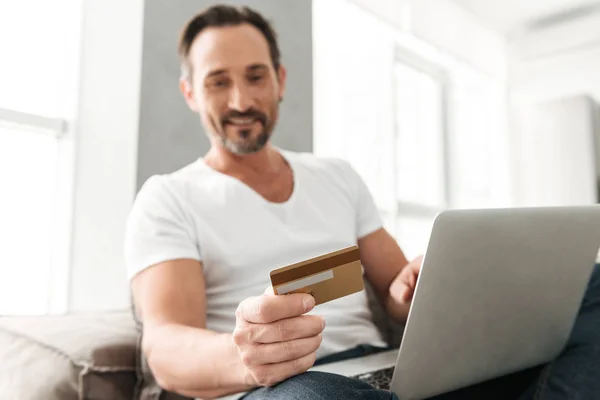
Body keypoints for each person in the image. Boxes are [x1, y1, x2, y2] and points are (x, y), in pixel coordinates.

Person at [125, 5, 600, 400]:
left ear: (280, 80)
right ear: (190, 92)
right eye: (217, 81)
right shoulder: (169, 197)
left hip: (385, 373)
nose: (241, 99)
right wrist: (246, 357)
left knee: (592, 286)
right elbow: (166, 346)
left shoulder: (335, 176)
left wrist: (412, 288)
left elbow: (396, 293)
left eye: (255, 76)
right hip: (282, 386)